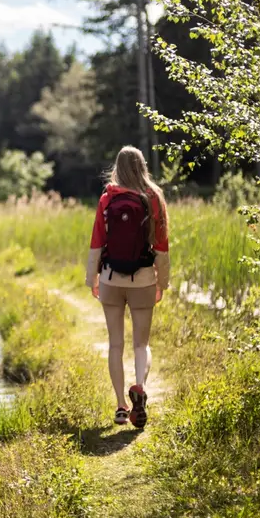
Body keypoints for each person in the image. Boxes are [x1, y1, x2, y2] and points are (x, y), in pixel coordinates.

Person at [85, 146, 170, 430]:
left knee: (115, 344)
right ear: (142, 166)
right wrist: (163, 282)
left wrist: (92, 279)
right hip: (144, 278)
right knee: (141, 344)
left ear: (117, 167)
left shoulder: (108, 198)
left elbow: (97, 242)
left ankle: (121, 407)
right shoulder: (153, 198)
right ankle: (141, 388)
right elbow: (161, 248)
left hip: (111, 278)